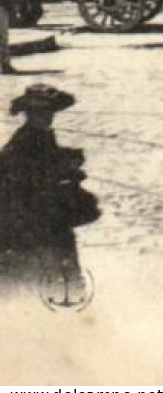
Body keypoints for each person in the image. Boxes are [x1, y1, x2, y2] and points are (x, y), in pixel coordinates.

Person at [0, 85, 99, 299]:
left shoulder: (40, 135)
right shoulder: (25, 140)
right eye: (40, 113)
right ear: (29, 113)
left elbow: (46, 161)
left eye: (49, 112)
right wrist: (65, 170)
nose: (47, 117)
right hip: (30, 220)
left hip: (42, 215)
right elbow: (25, 176)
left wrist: (66, 160)